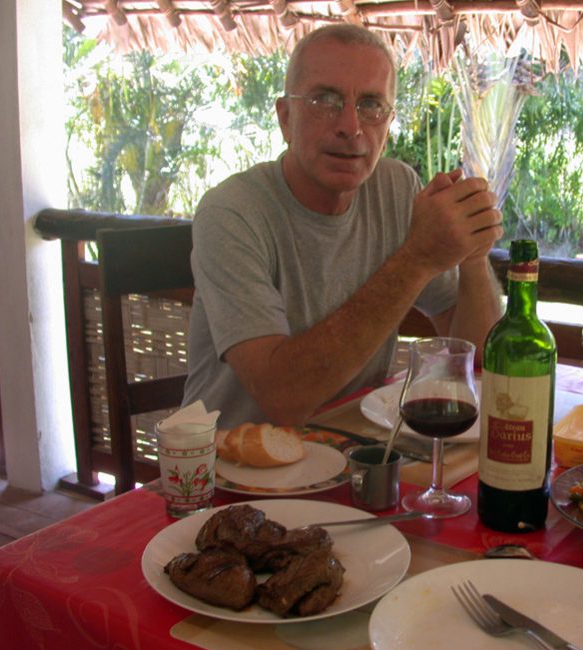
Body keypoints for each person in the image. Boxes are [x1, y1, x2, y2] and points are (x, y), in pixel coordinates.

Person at [183, 24, 503, 429]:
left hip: (358, 458)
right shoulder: (232, 212)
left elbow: (476, 358)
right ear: (285, 117)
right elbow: (283, 398)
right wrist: (416, 259)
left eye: (371, 104)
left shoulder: (398, 188)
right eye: (325, 99)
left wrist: (473, 253)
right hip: (232, 472)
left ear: (388, 123)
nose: (350, 126)